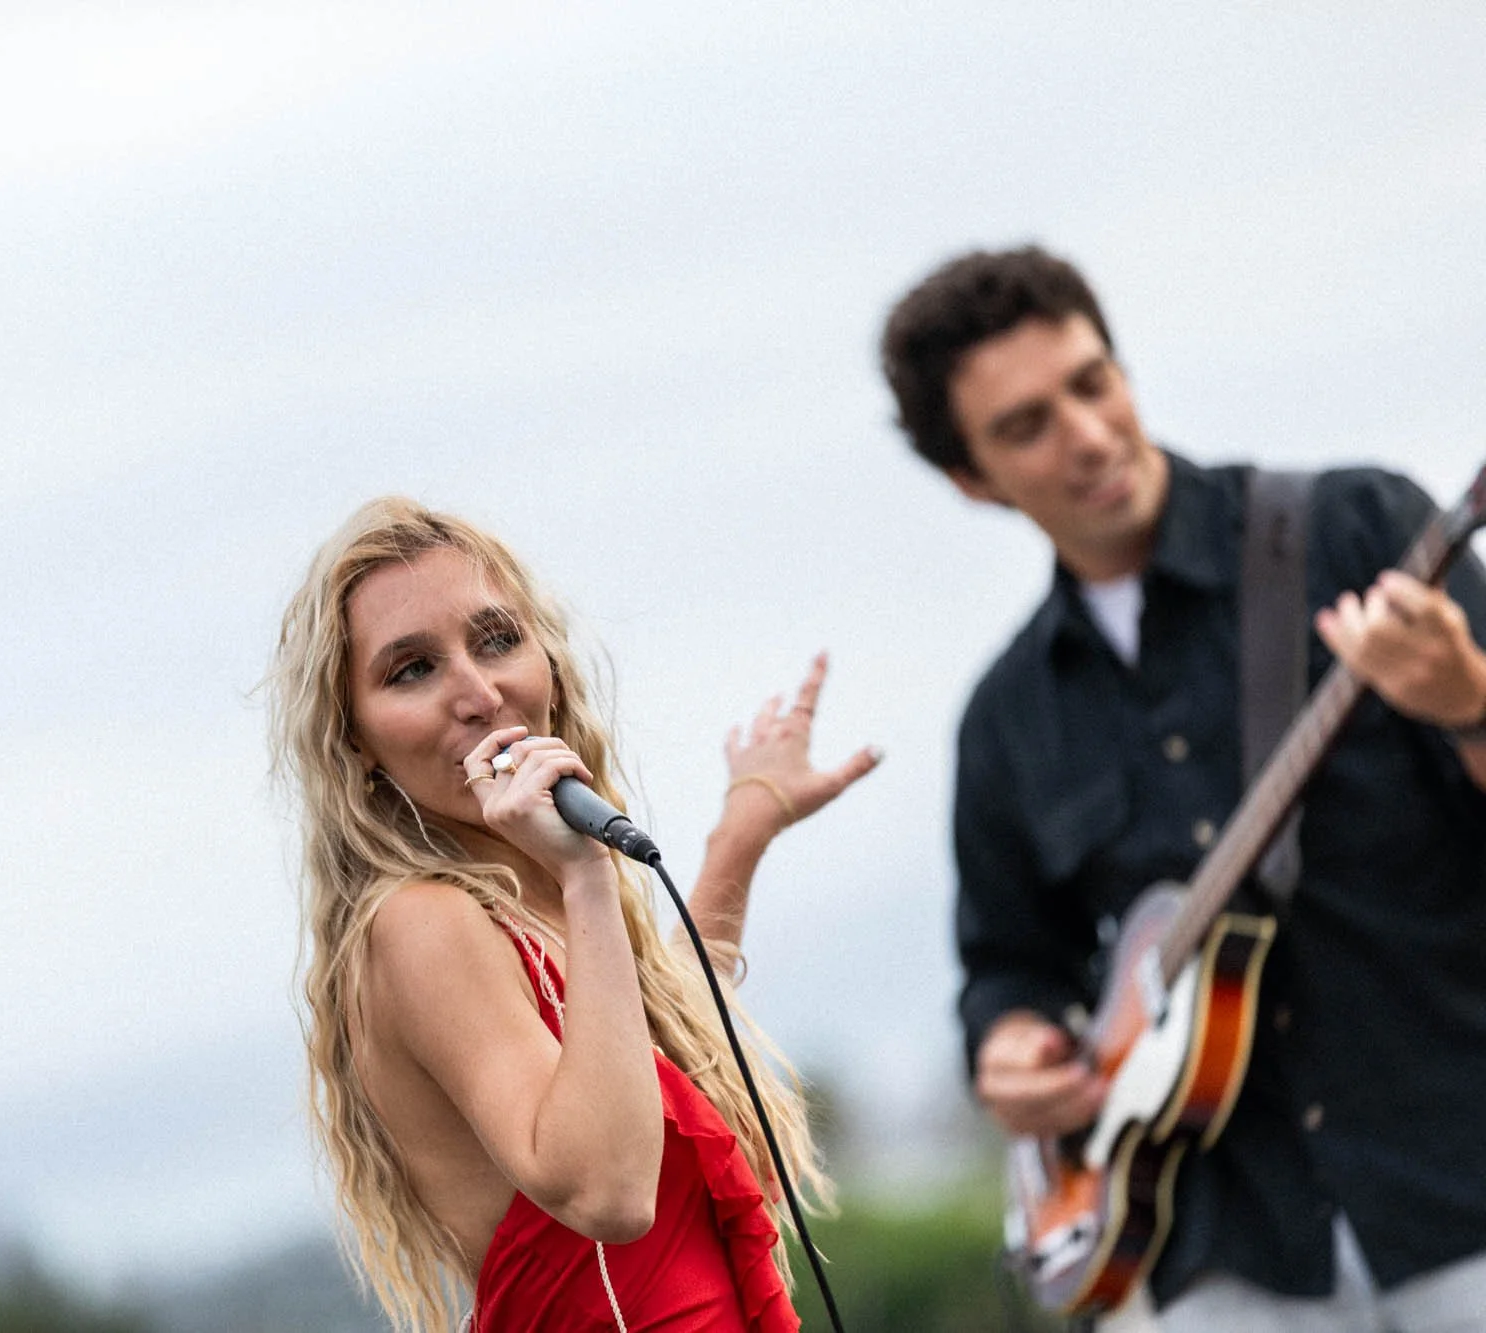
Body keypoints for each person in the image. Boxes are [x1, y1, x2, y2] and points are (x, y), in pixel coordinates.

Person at [879, 244, 1486, 1331]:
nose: (1087, 434)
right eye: (1026, 425)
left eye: (1092, 381)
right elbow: (1005, 960)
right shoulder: (1006, 718)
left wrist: (1470, 703)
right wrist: (1007, 1044)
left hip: (1458, 1172)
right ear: (971, 479)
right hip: (1220, 1244)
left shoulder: (1357, 527)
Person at [268, 497, 879, 1332]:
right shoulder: (421, 923)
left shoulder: (537, 901)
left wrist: (740, 834)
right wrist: (588, 869)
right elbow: (608, 1189)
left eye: (496, 640)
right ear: (354, 741)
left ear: (547, 662)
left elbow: (660, 1055)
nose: (479, 693)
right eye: (412, 669)